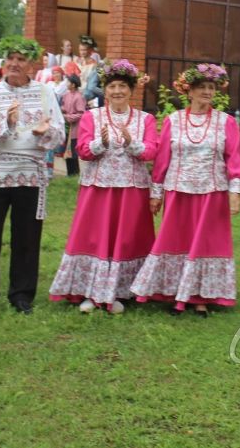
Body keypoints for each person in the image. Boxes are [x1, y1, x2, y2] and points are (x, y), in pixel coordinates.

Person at [131, 64, 240, 316]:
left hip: (211, 192)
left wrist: (234, 192)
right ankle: (175, 292)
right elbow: (162, 160)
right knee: (176, 241)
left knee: (205, 243)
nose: (206, 91)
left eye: (211, 87)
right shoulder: (173, 120)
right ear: (189, 91)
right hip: (178, 190)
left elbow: (234, 158)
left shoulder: (225, 122)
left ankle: (200, 296)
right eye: (201, 87)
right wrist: (156, 193)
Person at [49, 60, 158, 313]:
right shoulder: (91, 116)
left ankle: (120, 291)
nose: (117, 91)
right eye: (112, 87)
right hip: (98, 188)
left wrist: (132, 143)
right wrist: (102, 142)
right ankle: (92, 291)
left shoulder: (146, 119)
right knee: (94, 239)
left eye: (122, 86)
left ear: (132, 90)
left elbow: (152, 151)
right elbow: (83, 151)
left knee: (127, 239)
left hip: (132, 189)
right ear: (105, 90)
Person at [0, 36, 65, 314]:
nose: (14, 63)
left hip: (30, 175)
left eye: (20, 59)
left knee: (27, 237)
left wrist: (43, 132)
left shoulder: (46, 92)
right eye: (10, 58)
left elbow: (59, 133)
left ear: (31, 64)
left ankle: (22, 295)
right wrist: (5, 124)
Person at [59, 74, 85, 176]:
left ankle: (75, 174)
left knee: (73, 153)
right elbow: (64, 108)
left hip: (74, 130)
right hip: (66, 128)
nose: (66, 84)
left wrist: (69, 117)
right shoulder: (66, 95)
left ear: (73, 85)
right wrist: (61, 110)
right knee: (66, 151)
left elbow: (81, 113)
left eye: (68, 82)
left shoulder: (79, 97)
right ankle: (69, 173)